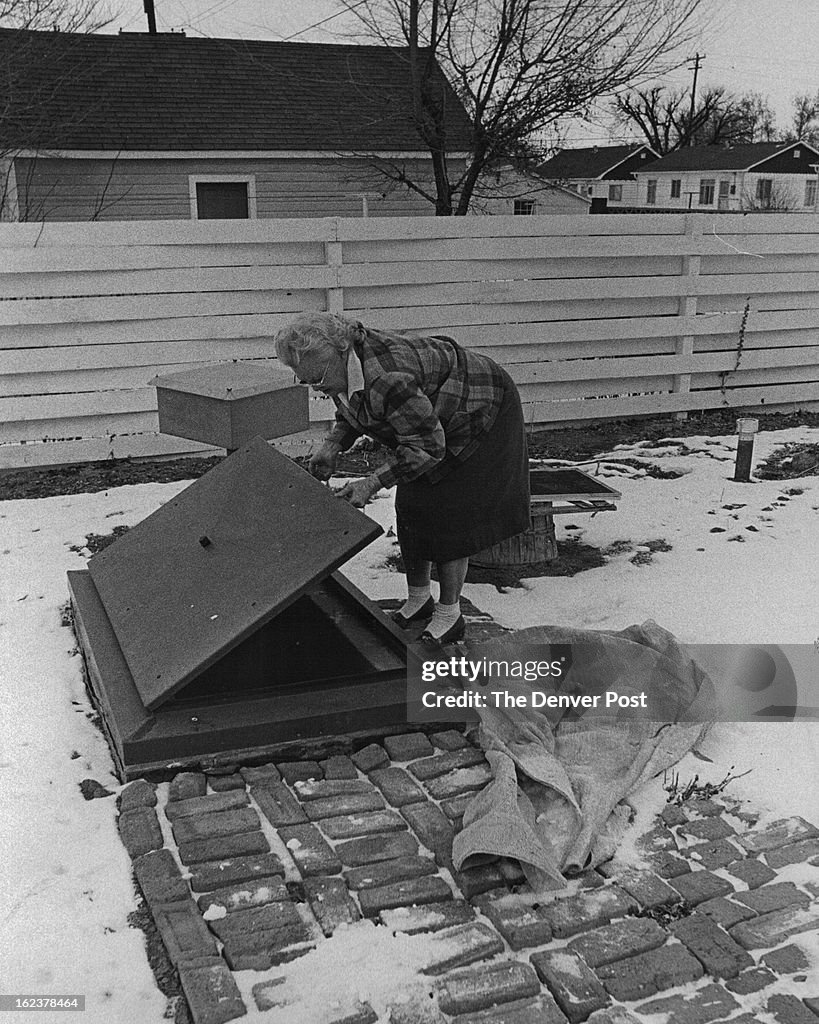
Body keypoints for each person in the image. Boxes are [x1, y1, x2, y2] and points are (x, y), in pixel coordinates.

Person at [275, 312, 530, 644]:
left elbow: (427, 447)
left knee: (450, 514)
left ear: (341, 351)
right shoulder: (339, 369)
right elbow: (353, 405)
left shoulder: (387, 377)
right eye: (305, 380)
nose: (316, 386)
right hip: (427, 424)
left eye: (317, 378)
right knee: (412, 505)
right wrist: (333, 444)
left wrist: (371, 482)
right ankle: (419, 598)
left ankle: (449, 614)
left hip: (479, 410)